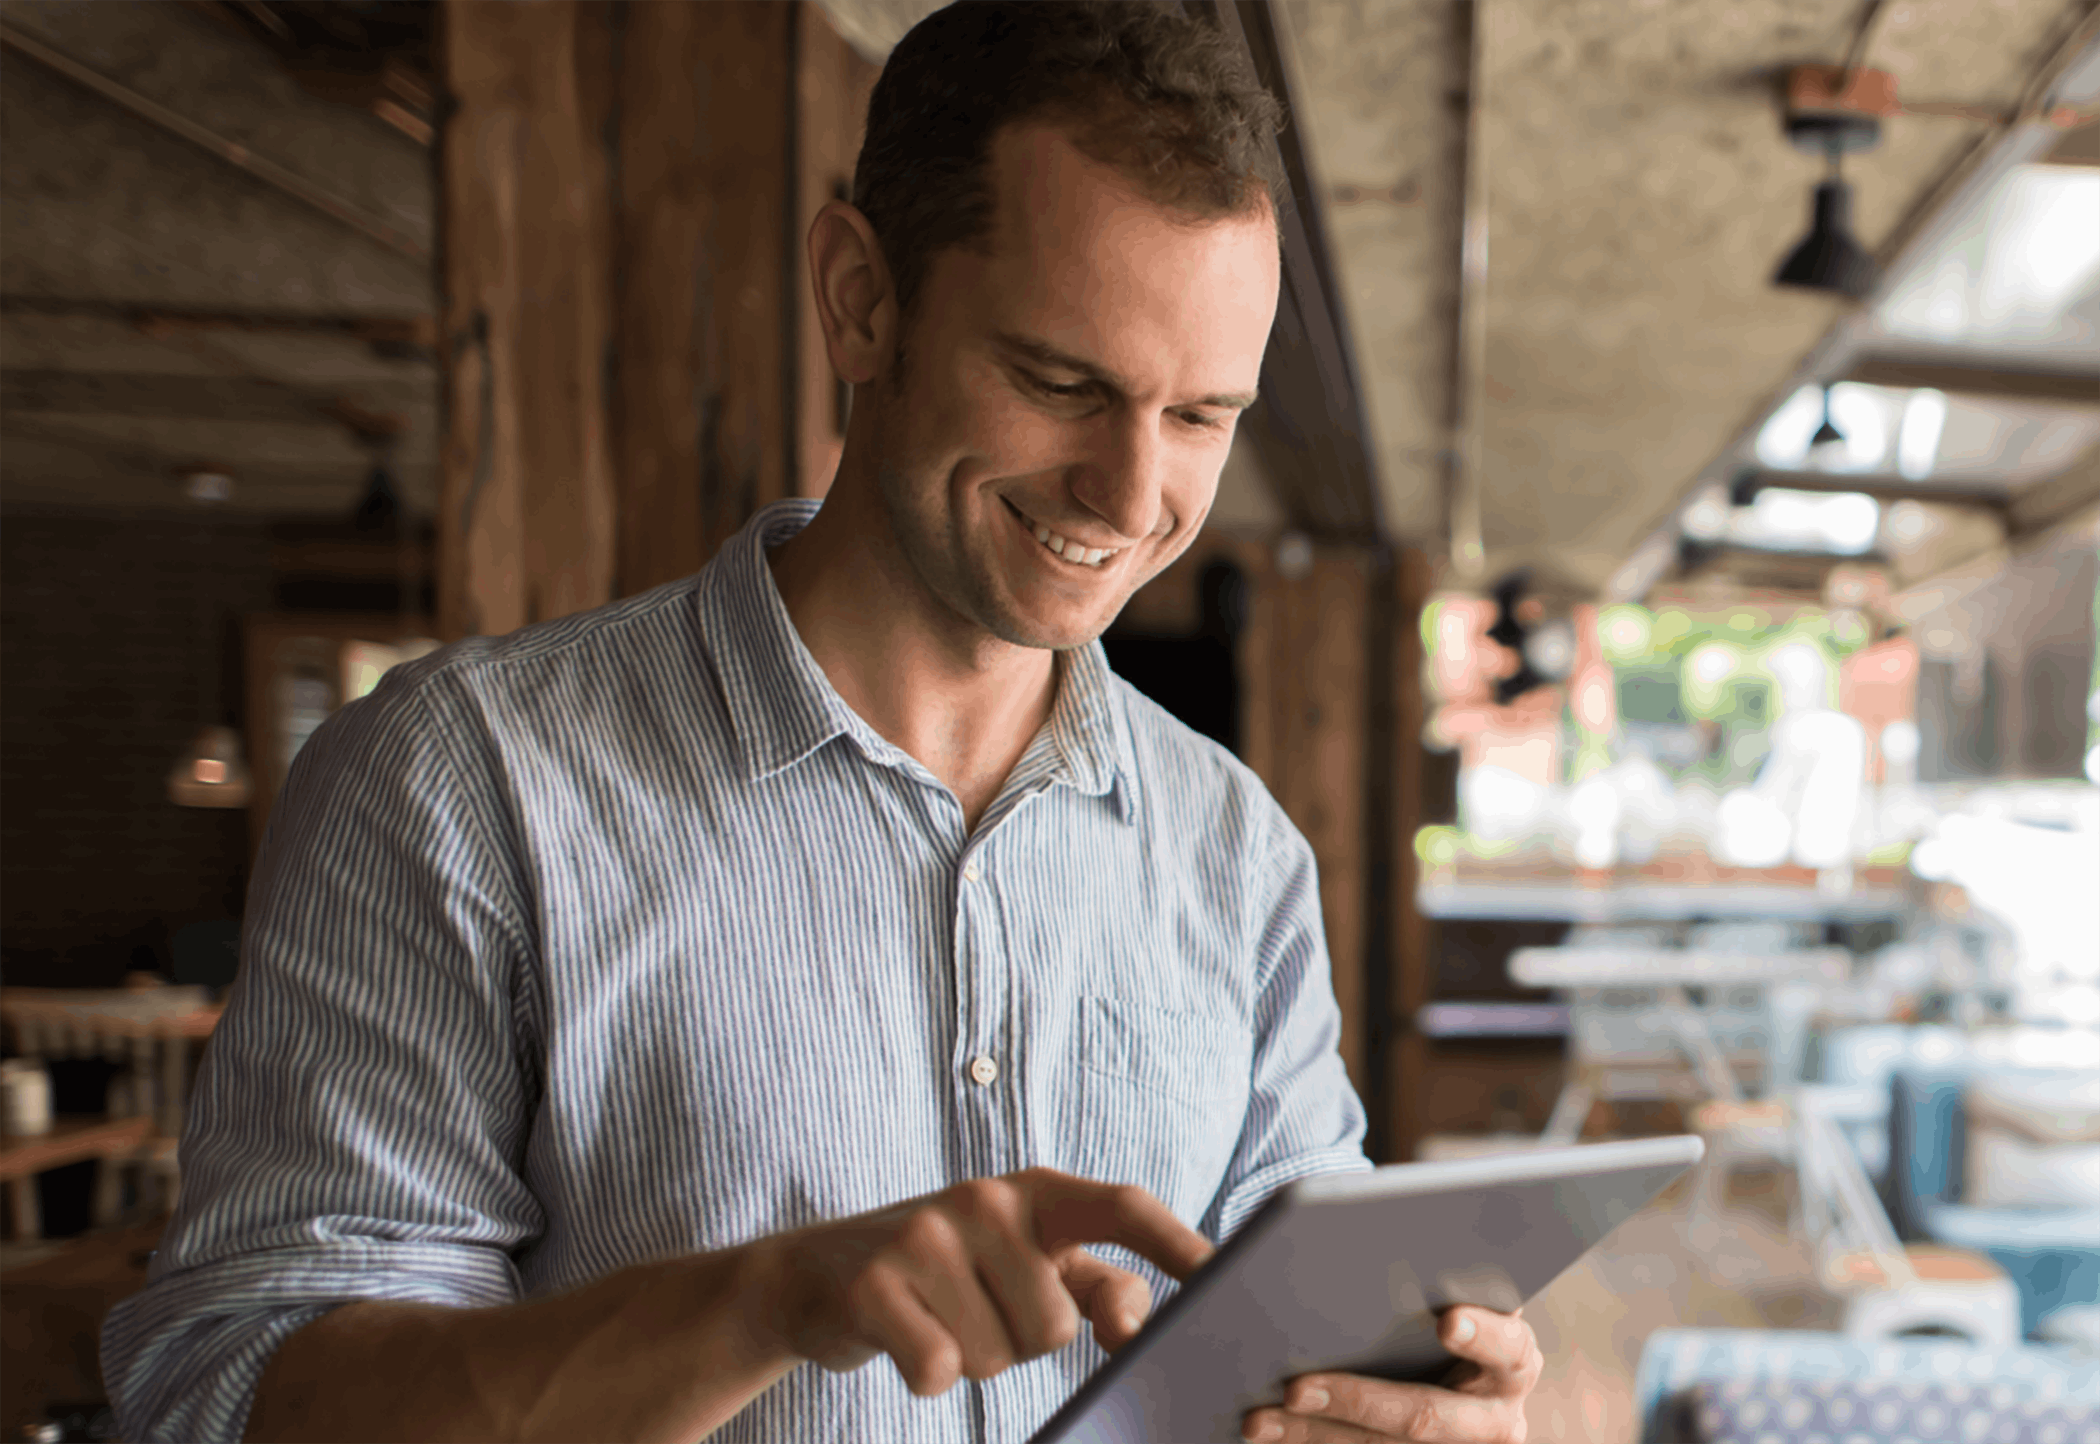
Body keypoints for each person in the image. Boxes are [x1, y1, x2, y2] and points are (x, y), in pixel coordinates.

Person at [103, 4, 1542, 1441]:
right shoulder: (463, 782)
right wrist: (758, 1307)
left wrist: (1421, 1399)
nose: (1129, 495)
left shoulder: (1239, 852)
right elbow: (232, 1402)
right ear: (860, 296)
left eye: (1201, 418)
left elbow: (1302, 1360)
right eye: (1060, 383)